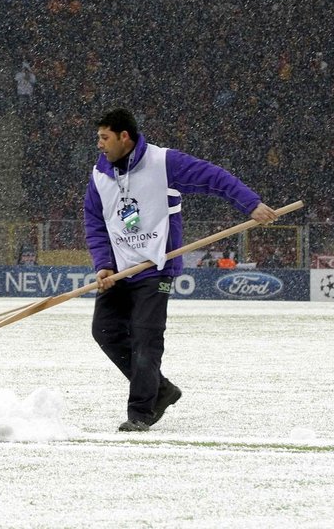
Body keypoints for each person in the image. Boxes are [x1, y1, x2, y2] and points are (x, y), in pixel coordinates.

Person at [84, 108, 278, 432]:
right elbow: (95, 222)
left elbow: (214, 177)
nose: (100, 145)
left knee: (146, 339)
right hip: (119, 269)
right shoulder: (99, 176)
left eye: (104, 138)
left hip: (155, 267)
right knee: (104, 332)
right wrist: (103, 265)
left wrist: (251, 204)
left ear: (124, 137)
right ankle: (162, 389)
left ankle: (141, 413)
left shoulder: (164, 163)